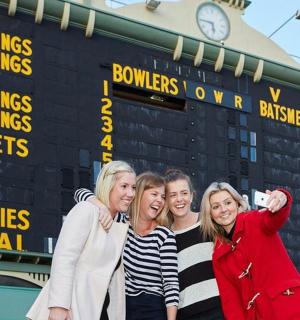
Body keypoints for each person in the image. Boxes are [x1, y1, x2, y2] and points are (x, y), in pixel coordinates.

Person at [26, 160, 136, 320]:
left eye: (133, 188)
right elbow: (64, 258)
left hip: (99, 310)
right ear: (108, 185)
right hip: (71, 308)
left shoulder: (120, 226)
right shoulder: (86, 211)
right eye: (124, 186)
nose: (131, 193)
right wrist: (59, 307)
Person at [75, 171, 179, 320]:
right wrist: (101, 207)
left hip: (154, 309)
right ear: (139, 194)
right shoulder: (120, 224)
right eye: (154, 194)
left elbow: (171, 285)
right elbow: (80, 193)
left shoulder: (164, 236)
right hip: (122, 308)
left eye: (163, 197)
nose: (160, 200)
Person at [200, 181, 300, 320]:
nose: (223, 209)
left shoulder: (255, 220)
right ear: (210, 214)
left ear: (237, 203)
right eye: (216, 207)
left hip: (289, 306)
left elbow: (276, 217)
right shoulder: (219, 257)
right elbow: (231, 303)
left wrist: (282, 197)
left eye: (228, 202)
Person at [164, 169, 224, 320]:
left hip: (220, 310)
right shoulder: (165, 238)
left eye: (184, 193)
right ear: (165, 200)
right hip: (186, 315)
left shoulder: (210, 223)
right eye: (173, 195)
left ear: (191, 196)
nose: (179, 199)